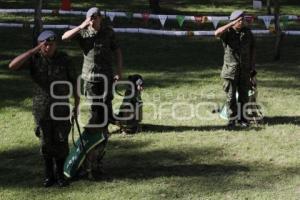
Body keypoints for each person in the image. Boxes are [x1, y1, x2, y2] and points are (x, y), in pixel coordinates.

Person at [9, 30, 80, 187]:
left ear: (56, 45)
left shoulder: (64, 60)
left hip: (61, 109)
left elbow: (75, 83)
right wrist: (34, 50)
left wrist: (77, 105)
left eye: (51, 44)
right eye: (45, 45)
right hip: (42, 110)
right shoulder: (34, 59)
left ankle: (60, 174)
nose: (48, 48)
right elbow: (12, 66)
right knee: (46, 143)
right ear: (40, 45)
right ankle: (49, 175)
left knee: (61, 142)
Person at [62, 7, 123, 178]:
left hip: (107, 79)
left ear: (101, 18)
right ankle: (90, 163)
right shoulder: (83, 32)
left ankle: (96, 160)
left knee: (104, 115)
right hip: (90, 81)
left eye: (96, 17)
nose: (94, 20)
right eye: (91, 17)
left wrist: (119, 71)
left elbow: (117, 50)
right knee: (97, 117)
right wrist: (82, 25)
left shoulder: (108, 32)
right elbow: (64, 37)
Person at [215, 10, 256, 128]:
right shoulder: (227, 32)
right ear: (234, 21)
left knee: (244, 96)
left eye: (243, 19)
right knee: (231, 97)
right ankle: (232, 120)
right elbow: (216, 33)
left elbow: (253, 48)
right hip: (230, 71)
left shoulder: (247, 33)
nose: (242, 21)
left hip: (245, 70)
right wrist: (231, 23)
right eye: (240, 20)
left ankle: (243, 119)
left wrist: (252, 67)